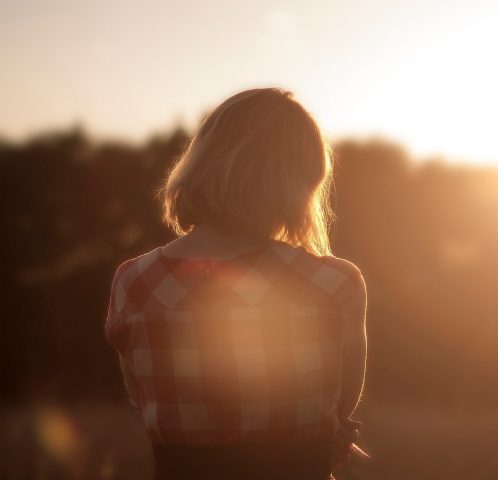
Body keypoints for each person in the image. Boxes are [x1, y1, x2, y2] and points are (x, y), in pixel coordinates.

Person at [104, 88, 368, 479]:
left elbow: (146, 400)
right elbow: (339, 406)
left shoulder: (135, 282)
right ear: (301, 181)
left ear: (201, 162)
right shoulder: (334, 282)